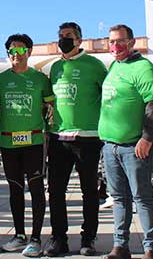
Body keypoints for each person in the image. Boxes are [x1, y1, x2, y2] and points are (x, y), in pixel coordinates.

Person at [99, 24, 153, 259]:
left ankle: (150, 249)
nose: (115, 46)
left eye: (120, 41)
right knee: (118, 199)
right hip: (111, 146)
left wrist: (147, 139)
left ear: (132, 42)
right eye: (111, 41)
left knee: (143, 197)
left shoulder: (144, 68)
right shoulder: (114, 67)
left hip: (134, 146)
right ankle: (121, 246)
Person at [45, 22, 107, 257]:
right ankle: (58, 238)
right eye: (60, 36)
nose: (63, 40)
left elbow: (108, 96)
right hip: (58, 138)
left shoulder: (95, 65)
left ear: (79, 40)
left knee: (89, 191)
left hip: (88, 138)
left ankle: (88, 238)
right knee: (56, 190)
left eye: (68, 36)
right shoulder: (55, 68)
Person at [0, 33, 54, 257]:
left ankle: (36, 238)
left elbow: (51, 107)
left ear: (29, 52)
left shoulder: (40, 79)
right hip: (9, 142)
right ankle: (19, 235)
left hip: (34, 141)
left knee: (36, 189)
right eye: (11, 51)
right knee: (15, 190)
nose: (15, 54)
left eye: (20, 50)